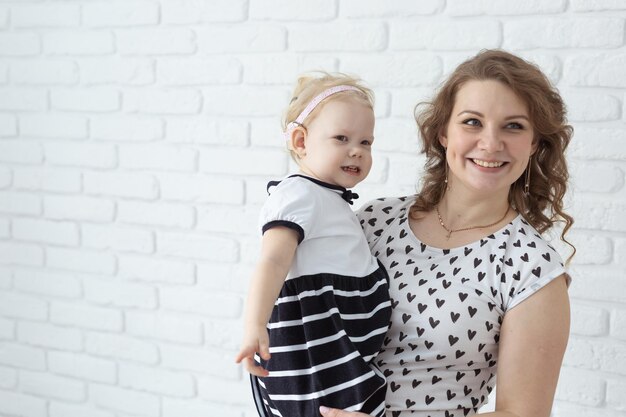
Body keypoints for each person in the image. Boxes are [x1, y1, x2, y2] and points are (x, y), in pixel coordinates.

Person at [319, 49, 574, 417]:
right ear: (442, 132)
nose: (490, 143)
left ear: (534, 143)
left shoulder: (532, 269)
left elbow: (523, 414)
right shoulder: (374, 220)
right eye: (472, 122)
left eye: (513, 126)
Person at [235, 73, 392, 417]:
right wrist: (254, 325)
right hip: (312, 346)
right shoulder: (299, 194)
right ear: (301, 141)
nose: (357, 150)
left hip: (334, 346)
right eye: (342, 138)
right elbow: (273, 261)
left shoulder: (327, 197)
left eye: (366, 142)